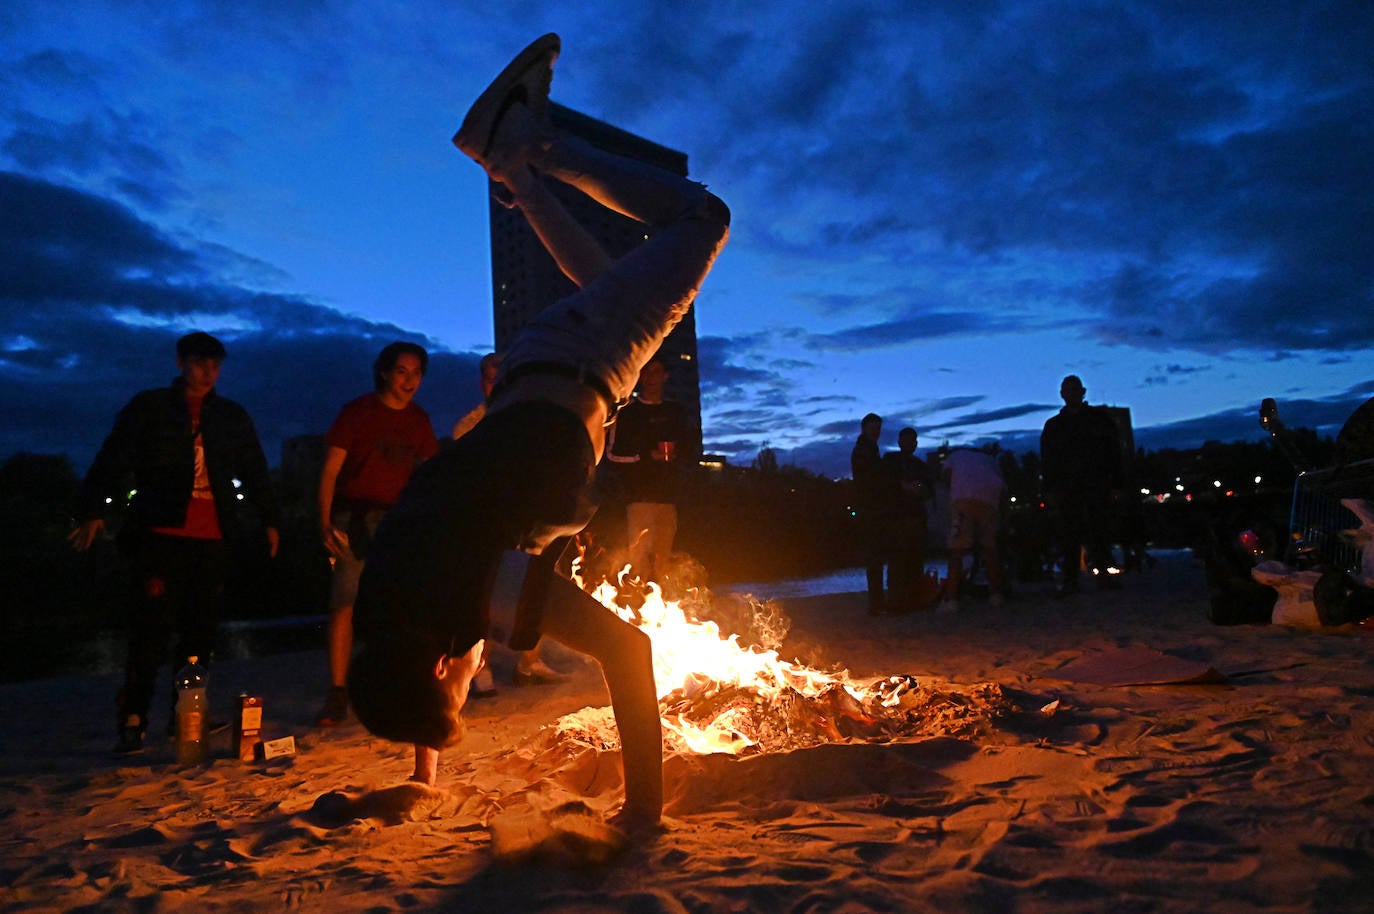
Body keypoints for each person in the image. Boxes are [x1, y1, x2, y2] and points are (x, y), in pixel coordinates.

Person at [345, 33, 730, 827]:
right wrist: (423, 778)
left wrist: (642, 813)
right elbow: (437, 649)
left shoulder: (480, 592)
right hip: (541, 366)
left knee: (703, 217)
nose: (462, 674)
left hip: (583, 366)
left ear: (440, 665)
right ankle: (514, 172)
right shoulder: (401, 593)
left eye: (451, 688)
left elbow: (632, 653)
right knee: (610, 277)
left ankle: (530, 146)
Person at [69, 332, 279, 754]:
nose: (208, 373)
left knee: (199, 633)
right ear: (182, 362)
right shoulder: (150, 407)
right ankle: (134, 717)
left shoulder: (230, 415)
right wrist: (93, 509)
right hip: (160, 533)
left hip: (213, 536)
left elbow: (255, 468)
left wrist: (269, 519)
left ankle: (186, 716)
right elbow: (114, 456)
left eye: (215, 365)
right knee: (151, 629)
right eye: (200, 363)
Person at [315, 342, 439, 727]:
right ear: (384, 372)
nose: (410, 380)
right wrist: (323, 520)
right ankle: (338, 692)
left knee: (399, 607)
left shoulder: (418, 420)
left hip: (398, 522)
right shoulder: (358, 413)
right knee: (344, 604)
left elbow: (432, 472)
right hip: (354, 518)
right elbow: (330, 471)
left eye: (416, 373)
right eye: (402, 371)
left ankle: (395, 686)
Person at [452, 352, 563, 689]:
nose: (496, 383)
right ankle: (479, 668)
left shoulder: (528, 422)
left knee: (537, 586)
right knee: (483, 594)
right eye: (490, 377)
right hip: (488, 521)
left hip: (528, 520)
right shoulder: (469, 426)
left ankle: (530, 661)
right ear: (482, 382)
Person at [606, 355, 691, 585]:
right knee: (639, 561)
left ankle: (660, 612)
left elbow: (689, 450)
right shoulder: (627, 413)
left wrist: (676, 456)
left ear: (665, 376)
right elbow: (611, 455)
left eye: (656, 372)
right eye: (646, 372)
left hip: (668, 498)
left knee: (664, 561)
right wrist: (644, 455)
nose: (650, 378)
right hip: (639, 497)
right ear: (640, 377)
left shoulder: (675, 412)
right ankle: (633, 610)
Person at [1040, 374, 1123, 594]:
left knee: (1100, 531)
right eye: (1069, 391)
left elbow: (1114, 452)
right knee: (1069, 534)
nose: (1073, 395)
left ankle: (1102, 575)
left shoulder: (1099, 420)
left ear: (1082, 392)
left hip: (1096, 483)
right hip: (1068, 487)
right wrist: (1050, 489)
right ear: (1063, 395)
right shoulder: (1054, 426)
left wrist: (1116, 482)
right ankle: (1071, 579)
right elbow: (1047, 460)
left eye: (1075, 390)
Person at [940, 446, 1006, 611]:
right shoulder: (989, 460)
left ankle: (952, 599)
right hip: (990, 499)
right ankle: (996, 595)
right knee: (989, 548)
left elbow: (945, 478)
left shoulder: (954, 456)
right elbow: (1002, 486)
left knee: (957, 550)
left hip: (964, 499)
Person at [882, 427, 933, 613]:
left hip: (915, 517)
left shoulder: (919, 464)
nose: (910, 444)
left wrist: (916, 487)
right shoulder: (890, 460)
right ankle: (896, 601)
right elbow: (885, 481)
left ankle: (913, 599)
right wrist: (903, 485)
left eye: (913, 440)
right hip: (896, 518)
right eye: (907, 440)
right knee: (897, 559)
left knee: (914, 558)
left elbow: (926, 487)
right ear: (899, 442)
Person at [851, 413, 889, 615]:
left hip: (871, 508)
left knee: (875, 557)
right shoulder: (864, 451)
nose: (877, 432)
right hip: (870, 510)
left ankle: (877, 602)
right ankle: (876, 604)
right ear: (865, 428)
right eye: (873, 428)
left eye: (878, 428)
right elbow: (872, 480)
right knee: (874, 557)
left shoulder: (867, 449)